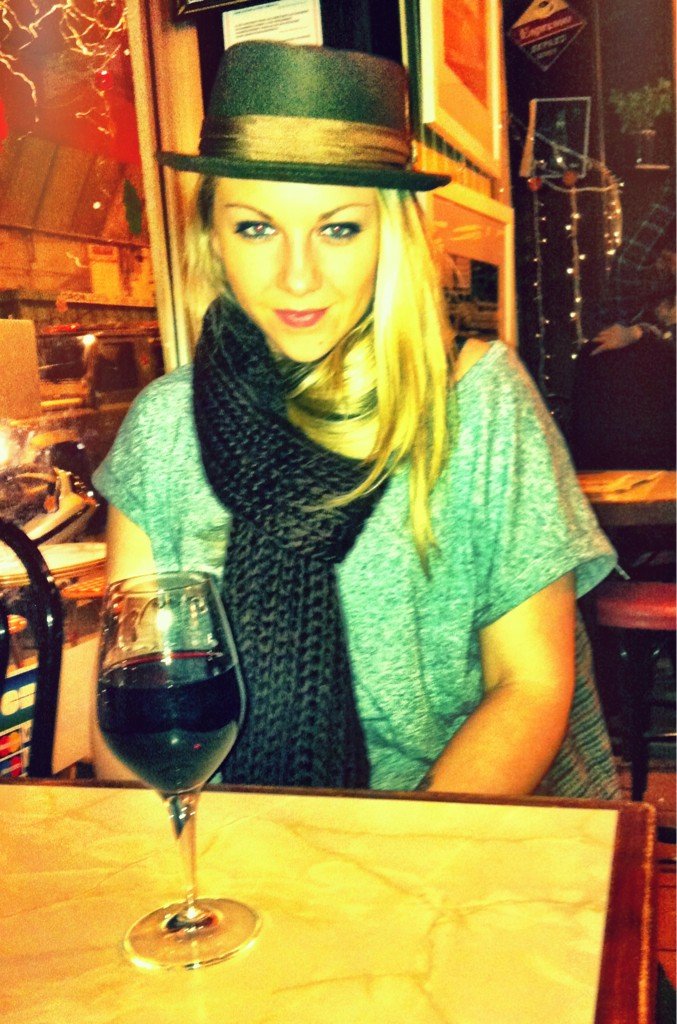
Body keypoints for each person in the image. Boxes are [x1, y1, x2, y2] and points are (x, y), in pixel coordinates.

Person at [92, 40, 620, 799]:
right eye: (255, 228)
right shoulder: (165, 428)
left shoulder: (480, 405)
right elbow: (133, 710)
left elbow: (529, 685)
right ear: (212, 235)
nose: (297, 276)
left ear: (390, 234)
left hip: (457, 830)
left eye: (338, 228)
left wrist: (386, 853)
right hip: (238, 841)